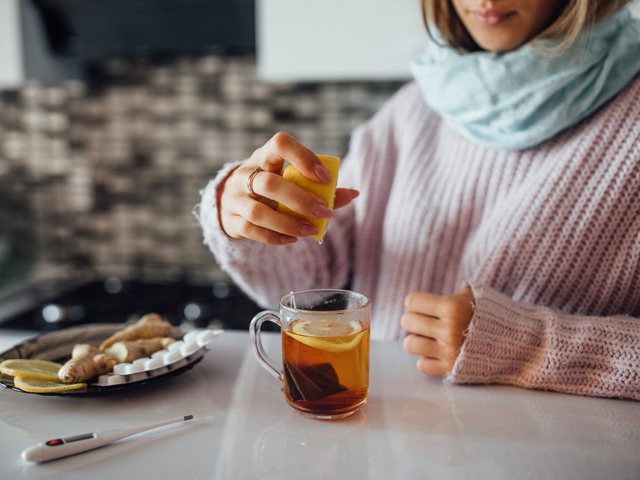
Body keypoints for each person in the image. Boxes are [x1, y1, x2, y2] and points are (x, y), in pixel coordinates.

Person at [197, 0, 640, 401]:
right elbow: (311, 280)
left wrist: (524, 346)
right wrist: (245, 215)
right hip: (383, 448)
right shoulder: (412, 111)